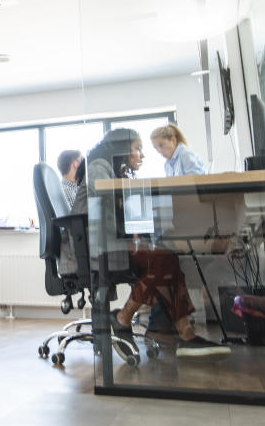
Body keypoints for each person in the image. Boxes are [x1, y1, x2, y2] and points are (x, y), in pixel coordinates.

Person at [71, 128, 229, 358]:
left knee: (169, 262)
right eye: (137, 149)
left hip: (112, 242)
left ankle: (186, 335)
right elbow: (104, 209)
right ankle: (123, 318)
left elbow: (121, 211)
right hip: (100, 246)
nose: (142, 155)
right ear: (123, 151)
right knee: (164, 260)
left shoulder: (111, 171)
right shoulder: (98, 168)